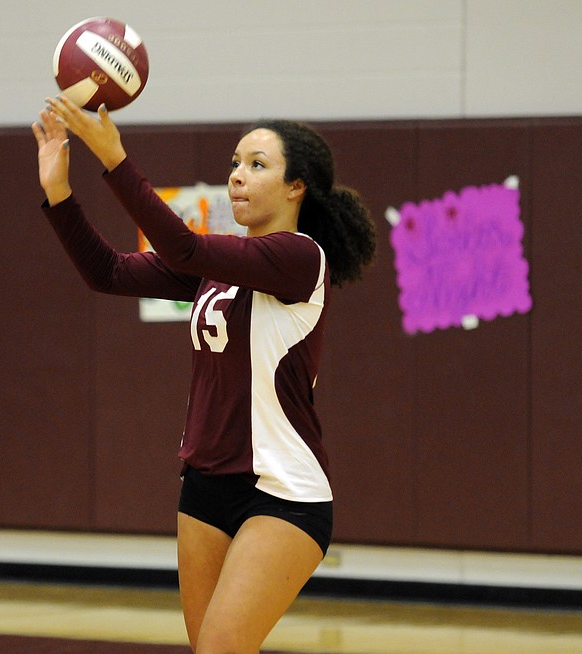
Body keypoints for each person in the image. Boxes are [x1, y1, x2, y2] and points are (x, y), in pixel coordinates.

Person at [32, 97, 376, 654]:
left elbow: (183, 245)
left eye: (258, 165)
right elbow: (107, 272)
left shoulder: (300, 258)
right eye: (235, 164)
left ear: (297, 187)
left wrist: (114, 157)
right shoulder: (217, 271)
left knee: (220, 648)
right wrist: (58, 192)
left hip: (283, 493)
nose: (238, 176)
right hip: (205, 486)